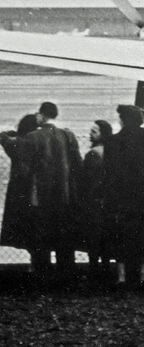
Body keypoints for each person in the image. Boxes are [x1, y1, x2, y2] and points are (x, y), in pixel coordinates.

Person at [103, 105, 144, 290]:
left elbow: (108, 172)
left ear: (123, 120)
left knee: (120, 235)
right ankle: (142, 276)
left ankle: (121, 277)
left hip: (121, 197)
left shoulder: (113, 141)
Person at [24, 101, 83, 283]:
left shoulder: (32, 137)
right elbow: (77, 165)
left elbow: (26, 167)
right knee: (64, 240)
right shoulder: (67, 135)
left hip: (41, 198)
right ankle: (66, 277)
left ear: (41, 115)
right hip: (64, 197)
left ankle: (42, 277)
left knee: (41, 240)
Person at [0, 115, 42, 265]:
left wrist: (14, 133)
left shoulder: (16, 144)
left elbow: (3, 137)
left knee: (22, 227)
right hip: (35, 190)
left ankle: (34, 261)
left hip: (18, 191)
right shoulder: (36, 143)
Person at [78, 120, 112, 282]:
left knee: (93, 242)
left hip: (94, 203)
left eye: (94, 132)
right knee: (105, 241)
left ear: (101, 135)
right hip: (108, 202)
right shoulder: (112, 152)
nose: (90, 134)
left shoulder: (93, 154)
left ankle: (94, 274)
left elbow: (85, 181)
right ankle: (106, 272)